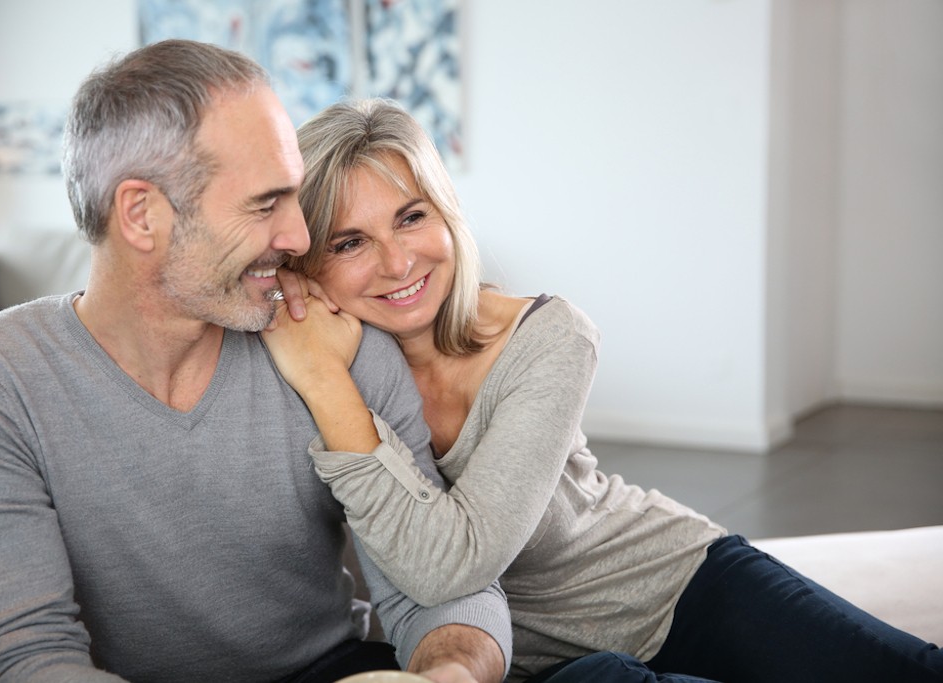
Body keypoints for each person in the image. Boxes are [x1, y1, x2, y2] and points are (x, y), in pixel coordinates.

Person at [261, 98, 943, 683]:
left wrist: (329, 384)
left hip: (671, 587)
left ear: (448, 214)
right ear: (308, 262)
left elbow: (454, 564)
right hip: (534, 665)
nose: (398, 260)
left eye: (412, 217)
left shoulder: (550, 337)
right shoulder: (324, 368)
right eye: (351, 241)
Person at [0, 41, 512, 683]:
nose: (299, 239)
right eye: (265, 204)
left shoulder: (337, 344)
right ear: (141, 214)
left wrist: (448, 673)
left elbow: (442, 589)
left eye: (295, 198)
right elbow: (25, 657)